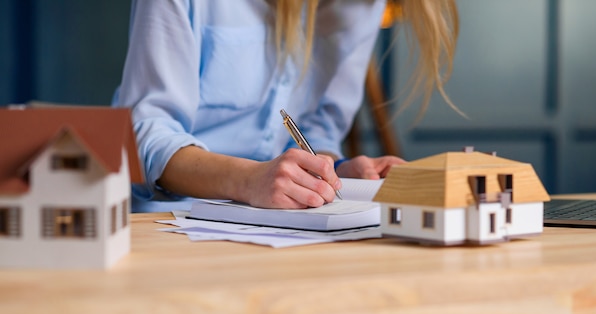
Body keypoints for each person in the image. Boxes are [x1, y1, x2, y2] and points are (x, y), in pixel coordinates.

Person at [114, 0, 459, 212]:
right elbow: (144, 136)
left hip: (283, 230)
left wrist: (335, 172)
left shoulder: (363, 5)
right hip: (170, 223)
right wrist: (250, 181)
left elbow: (319, 129)